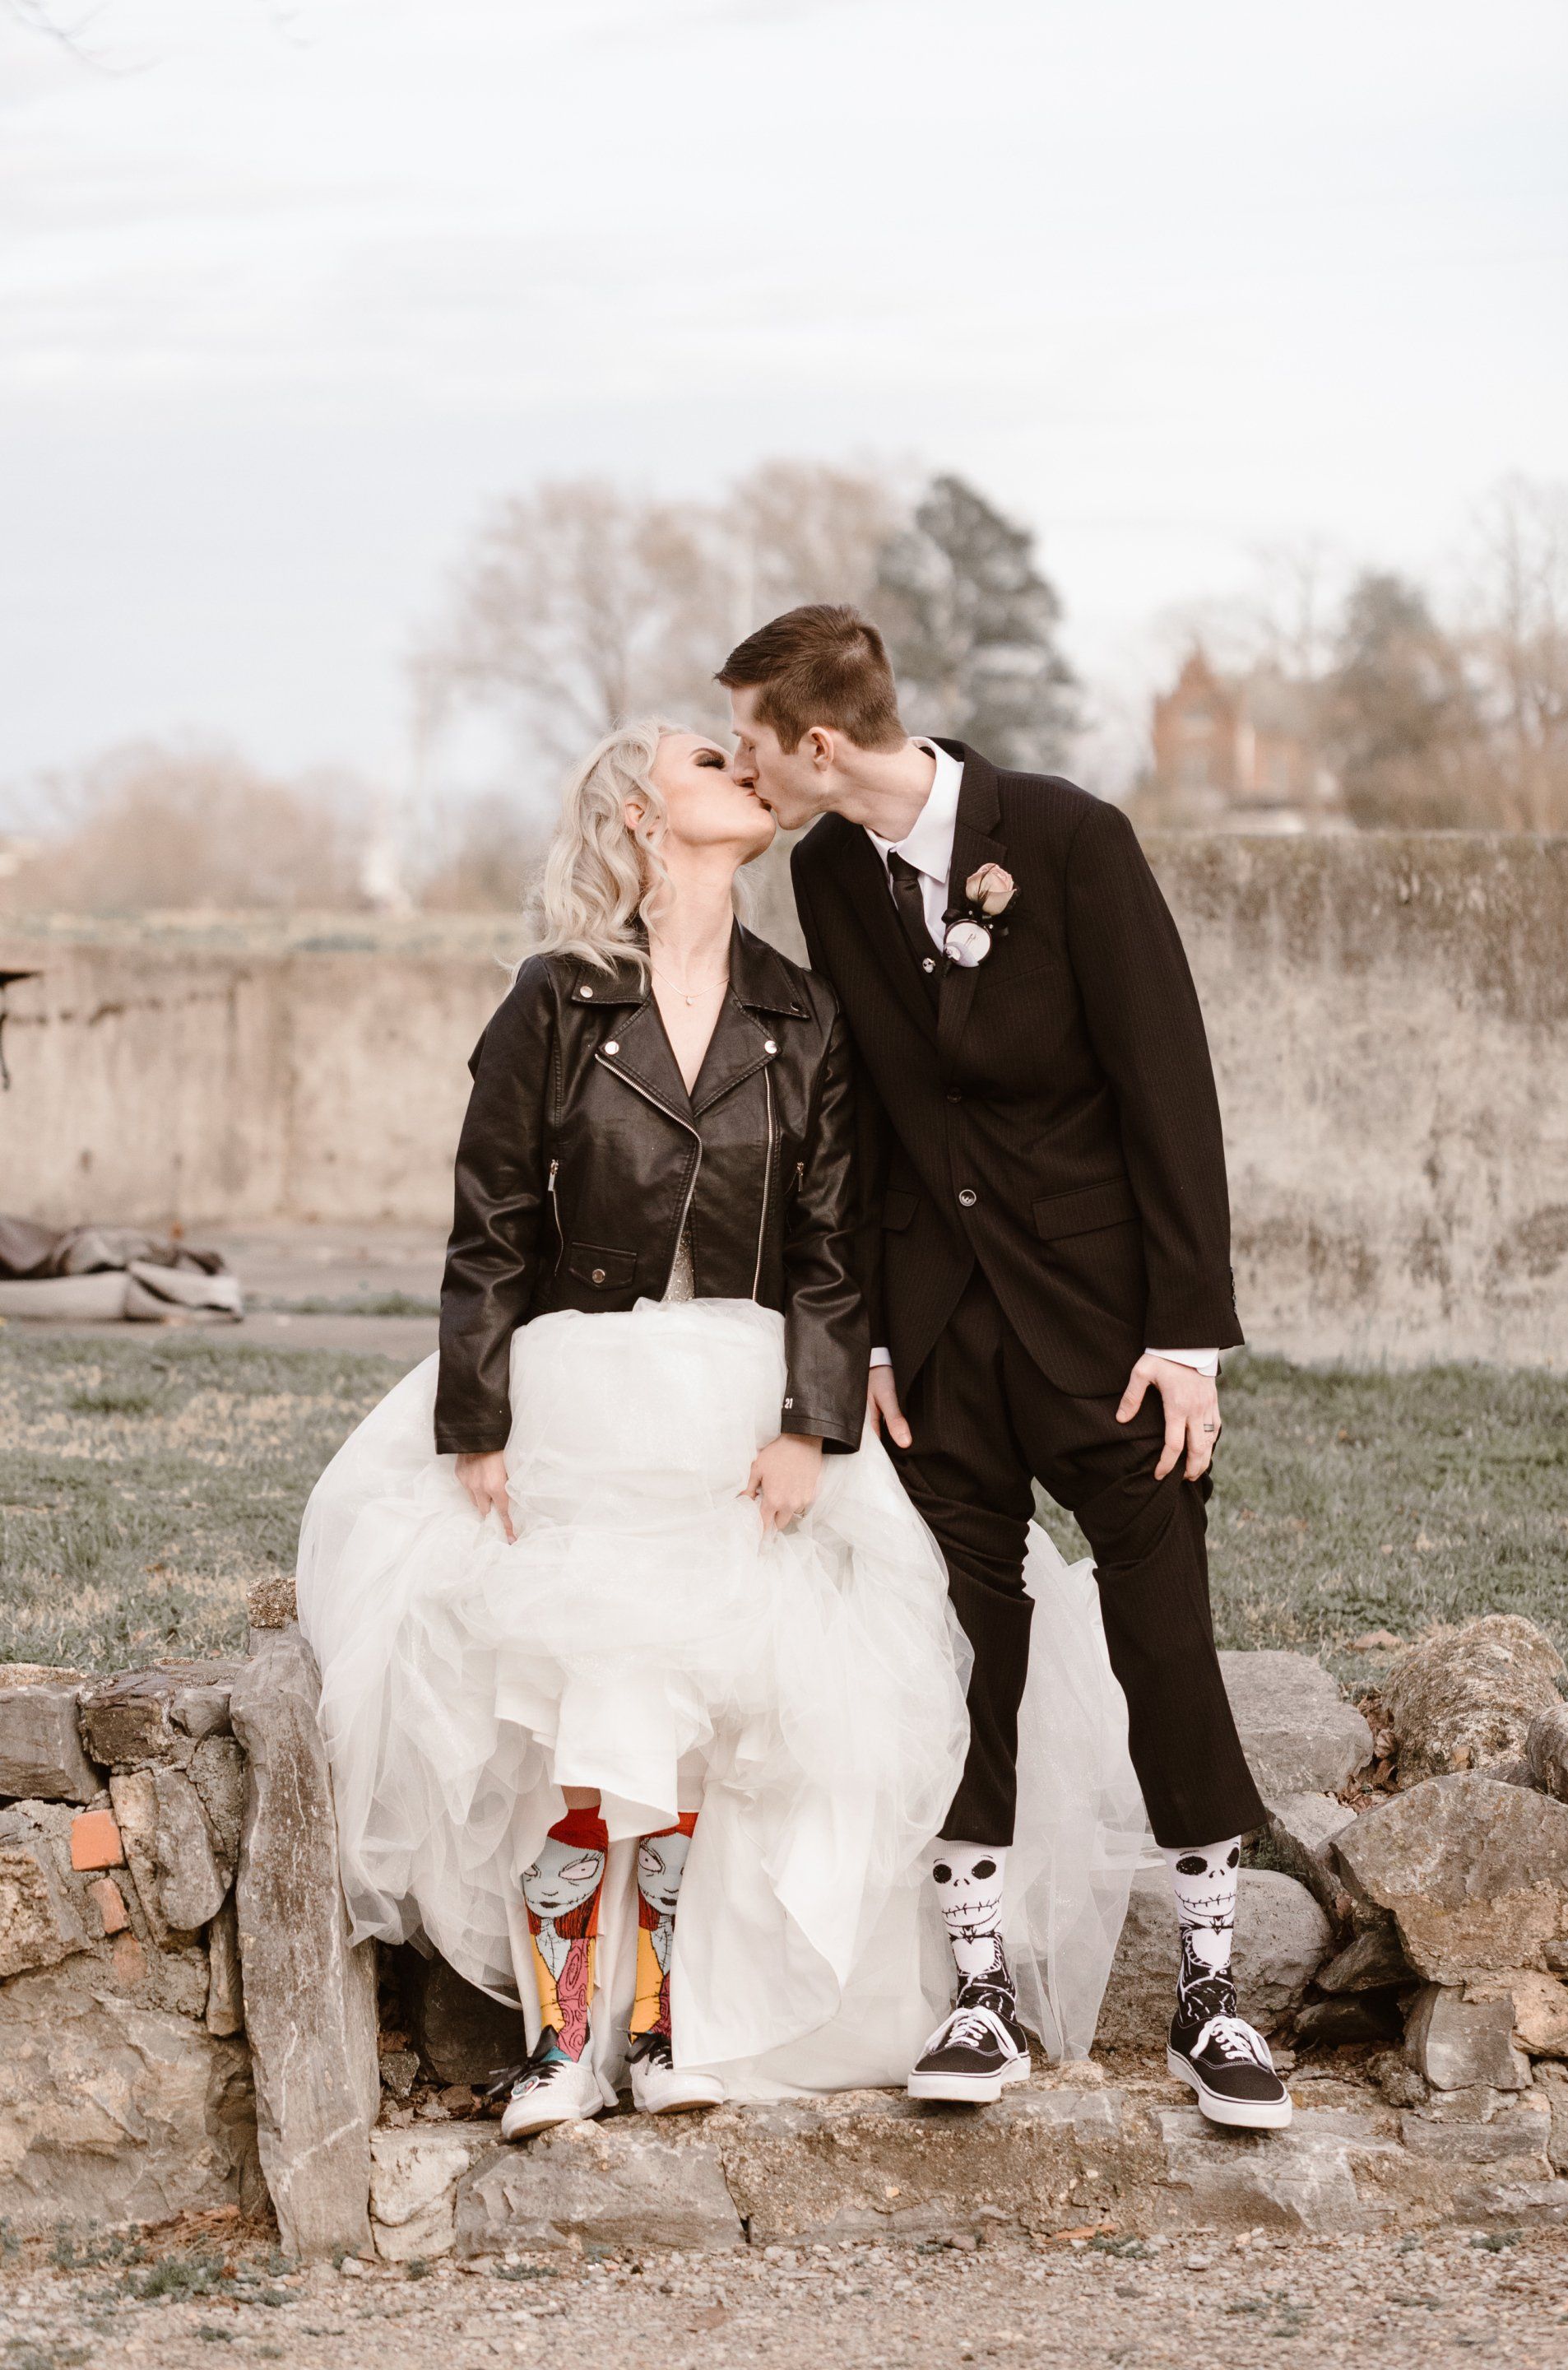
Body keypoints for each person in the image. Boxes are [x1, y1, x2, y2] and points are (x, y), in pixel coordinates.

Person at [296, 719, 1140, 2139]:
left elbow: (832, 1244)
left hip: (747, 1393)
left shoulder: (800, 1012)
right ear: (639, 811)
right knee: (584, 1693)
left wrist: (815, 1422)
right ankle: (566, 2046)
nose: (748, 774)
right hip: (576, 1384)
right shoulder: (553, 1002)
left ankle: (668, 2028)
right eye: (708, 761)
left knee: (713, 1711)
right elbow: (489, 1225)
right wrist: (480, 1418)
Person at [721, 606, 1290, 2132]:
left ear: (819, 745)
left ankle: (1213, 1999)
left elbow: (1169, 1082)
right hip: (945, 1339)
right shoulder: (827, 871)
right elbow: (871, 1111)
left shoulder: (1070, 837)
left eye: (752, 744)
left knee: (1163, 1631)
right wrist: (884, 1336)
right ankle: (977, 1995)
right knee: (958, 1647)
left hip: (1111, 1333)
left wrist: (1186, 1337)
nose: (742, 768)